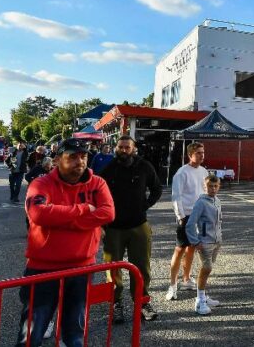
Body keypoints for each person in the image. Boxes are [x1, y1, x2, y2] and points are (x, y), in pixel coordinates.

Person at [15, 138, 115, 347]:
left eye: (83, 156)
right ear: (58, 159)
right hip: (43, 269)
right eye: (73, 157)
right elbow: (38, 214)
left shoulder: (98, 183)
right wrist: (84, 210)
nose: (80, 161)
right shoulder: (41, 183)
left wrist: (60, 219)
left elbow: (108, 214)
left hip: (82, 267)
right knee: (31, 334)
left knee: (74, 333)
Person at [100, 135, 162, 323]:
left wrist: (145, 205)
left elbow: (157, 188)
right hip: (113, 229)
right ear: (115, 148)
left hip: (138, 226)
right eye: (120, 147)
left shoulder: (145, 166)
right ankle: (116, 303)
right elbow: (97, 194)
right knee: (113, 269)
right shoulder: (108, 169)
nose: (124, 150)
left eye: (127, 147)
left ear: (134, 149)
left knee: (142, 267)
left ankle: (142, 303)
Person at [166, 142, 209, 301]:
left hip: (200, 216)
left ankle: (186, 279)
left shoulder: (204, 171)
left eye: (203, 152)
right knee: (179, 250)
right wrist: (181, 217)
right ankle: (172, 286)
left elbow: (205, 193)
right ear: (190, 155)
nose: (201, 155)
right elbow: (176, 196)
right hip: (186, 216)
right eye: (198, 153)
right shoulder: (181, 173)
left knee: (192, 248)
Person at [186, 174, 223, 315]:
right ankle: (199, 301)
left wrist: (219, 238)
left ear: (219, 187)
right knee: (206, 268)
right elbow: (190, 224)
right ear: (204, 187)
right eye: (210, 186)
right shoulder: (201, 202)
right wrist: (195, 241)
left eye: (215, 186)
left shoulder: (217, 201)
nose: (212, 189)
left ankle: (204, 296)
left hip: (216, 242)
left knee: (208, 268)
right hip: (205, 242)